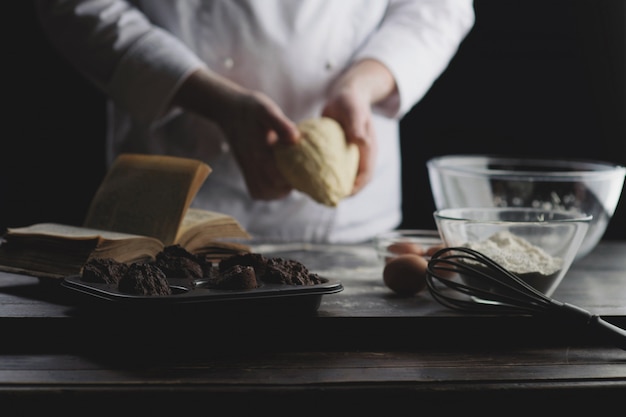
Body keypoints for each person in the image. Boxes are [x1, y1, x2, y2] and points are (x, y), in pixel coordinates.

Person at [35, 0, 475, 243]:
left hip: (343, 227)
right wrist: (214, 100)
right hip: (173, 193)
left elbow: (439, 7)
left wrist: (361, 85)